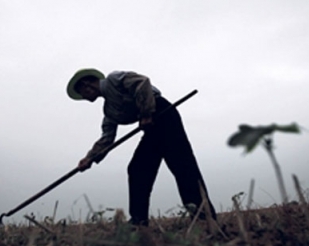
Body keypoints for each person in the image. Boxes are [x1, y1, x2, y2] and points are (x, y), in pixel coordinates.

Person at [67, 68, 216, 226]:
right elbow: (107, 138)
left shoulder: (114, 79)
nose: (83, 97)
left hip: (163, 114)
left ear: (86, 85)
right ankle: (139, 221)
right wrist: (89, 158)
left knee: (181, 165)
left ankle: (204, 216)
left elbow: (142, 82)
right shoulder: (109, 111)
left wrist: (146, 112)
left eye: (82, 93)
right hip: (150, 126)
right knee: (137, 169)